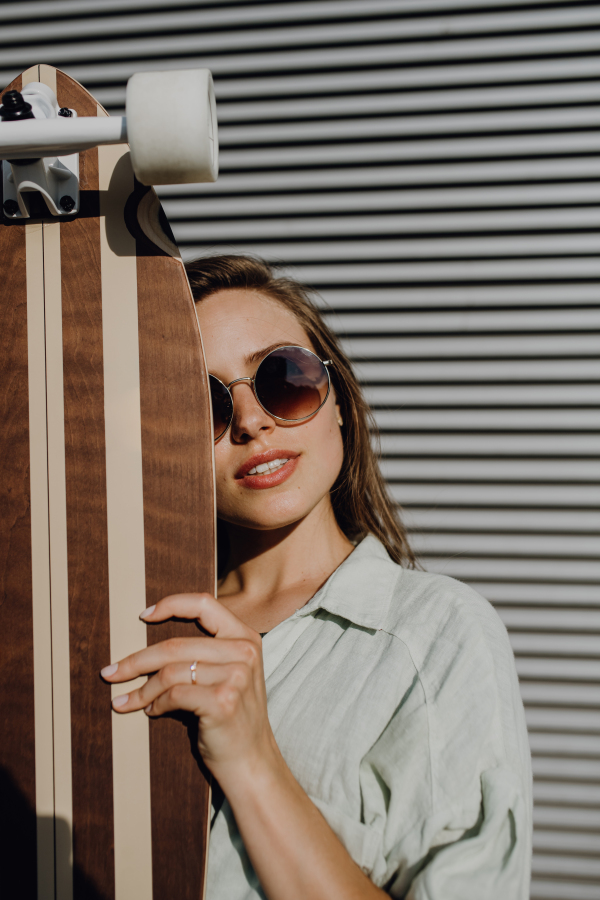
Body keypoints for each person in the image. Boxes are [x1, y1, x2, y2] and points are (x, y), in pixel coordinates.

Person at [101, 255, 532, 899]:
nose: (251, 421)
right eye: (202, 402)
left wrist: (253, 760)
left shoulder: (435, 636)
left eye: (284, 378)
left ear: (339, 404)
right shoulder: (130, 624)